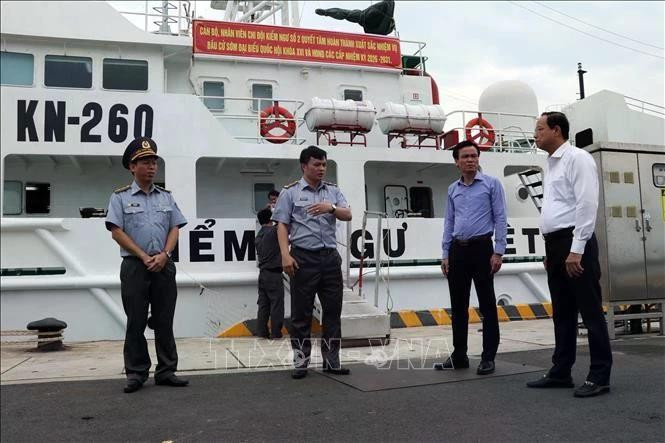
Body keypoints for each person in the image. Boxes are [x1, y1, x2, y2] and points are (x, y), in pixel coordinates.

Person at [527, 112, 612, 398]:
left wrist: (576, 250)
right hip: (556, 245)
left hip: (576, 243)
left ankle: (599, 375)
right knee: (562, 312)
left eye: (540, 128)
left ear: (557, 130)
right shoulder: (551, 164)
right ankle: (561, 371)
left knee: (590, 311)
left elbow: (587, 205)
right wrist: (551, 251)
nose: (535, 133)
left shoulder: (577, 159)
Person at [105, 137, 189, 394]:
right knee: (136, 321)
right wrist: (143, 256)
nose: (151, 167)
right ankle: (136, 372)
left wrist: (165, 254)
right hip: (135, 266)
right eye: (145, 162)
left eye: (154, 162)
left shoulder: (166, 196)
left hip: (163, 264)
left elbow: (175, 226)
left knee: (164, 320)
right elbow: (116, 231)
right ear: (132, 166)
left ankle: (166, 370)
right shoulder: (119, 197)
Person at [272, 146, 353, 379]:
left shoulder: (333, 192)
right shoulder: (290, 193)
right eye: (317, 164)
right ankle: (301, 362)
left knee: (332, 312)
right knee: (301, 314)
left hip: (329, 258)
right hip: (303, 258)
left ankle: (332, 361)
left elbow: (348, 214)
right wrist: (285, 255)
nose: (321, 169)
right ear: (304, 166)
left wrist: (332, 208)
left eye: (324, 165)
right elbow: (282, 224)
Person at [434, 140, 507, 375]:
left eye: (474, 156)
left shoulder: (491, 184)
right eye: (465, 156)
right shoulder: (452, 189)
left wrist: (499, 251)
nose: (471, 160)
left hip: (482, 249)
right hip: (458, 250)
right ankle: (459, 355)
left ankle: (488, 357)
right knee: (458, 306)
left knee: (487, 304)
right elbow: (449, 222)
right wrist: (445, 253)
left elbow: (501, 217)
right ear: (457, 162)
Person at [255, 207, 285, 339]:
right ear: (270, 219)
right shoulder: (273, 231)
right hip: (274, 274)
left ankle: (262, 332)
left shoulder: (258, 236)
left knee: (263, 305)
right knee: (276, 304)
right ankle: (276, 333)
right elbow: (283, 224)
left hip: (262, 274)